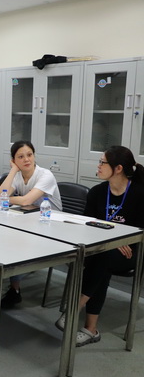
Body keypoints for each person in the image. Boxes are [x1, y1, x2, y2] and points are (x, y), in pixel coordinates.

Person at [54, 146, 144, 346]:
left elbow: (141, 229)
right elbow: (88, 224)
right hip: (102, 247)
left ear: (118, 168)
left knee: (103, 258)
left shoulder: (139, 194)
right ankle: (90, 329)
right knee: (102, 259)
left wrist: (121, 240)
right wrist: (111, 239)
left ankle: (75, 308)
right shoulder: (98, 192)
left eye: (103, 162)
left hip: (130, 251)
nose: (98, 166)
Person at [0, 140, 62, 308]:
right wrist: (13, 171)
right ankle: (12, 287)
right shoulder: (17, 175)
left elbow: (26, 200)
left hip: (52, 225)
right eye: (20, 157)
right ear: (14, 160)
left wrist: (6, 199)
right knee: (4, 236)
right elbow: (0, 195)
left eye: (29, 155)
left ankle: (12, 286)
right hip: (29, 220)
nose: (26, 159)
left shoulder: (45, 175)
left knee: (15, 242)